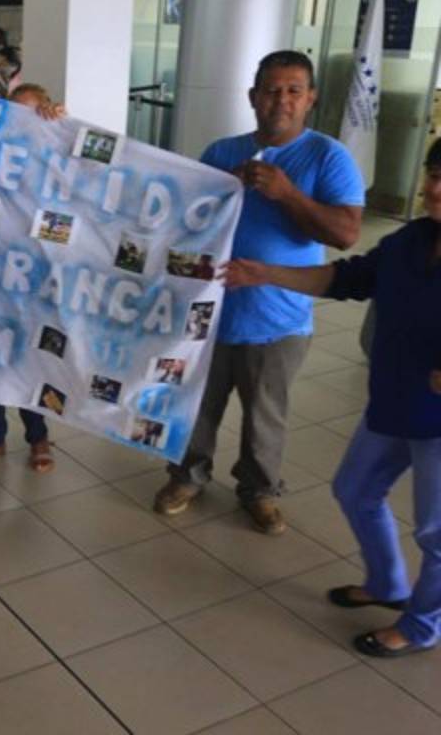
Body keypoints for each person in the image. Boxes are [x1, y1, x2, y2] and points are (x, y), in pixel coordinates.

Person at [220, 138, 441, 657]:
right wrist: (265, 272)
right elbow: (344, 277)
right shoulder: (411, 241)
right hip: (394, 399)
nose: (434, 187)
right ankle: (388, 585)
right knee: (355, 489)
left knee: (435, 533)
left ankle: (421, 626)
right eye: (433, 172)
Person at [153, 50, 364, 535]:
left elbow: (346, 234)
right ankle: (187, 475)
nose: (281, 101)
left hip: (277, 317)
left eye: (293, 90)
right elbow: (183, 221)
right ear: (253, 96)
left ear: (310, 98)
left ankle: (260, 490)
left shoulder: (328, 157)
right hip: (208, 313)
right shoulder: (222, 151)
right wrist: (213, 195)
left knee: (265, 416)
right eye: (271, 90)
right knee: (196, 406)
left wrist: (287, 193)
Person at [0, 82, 68, 473]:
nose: (19, 121)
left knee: (31, 357)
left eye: (29, 113)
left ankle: (38, 436)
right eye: (13, 112)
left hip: (34, 278)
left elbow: (80, 178)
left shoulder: (53, 150)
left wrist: (60, 127)